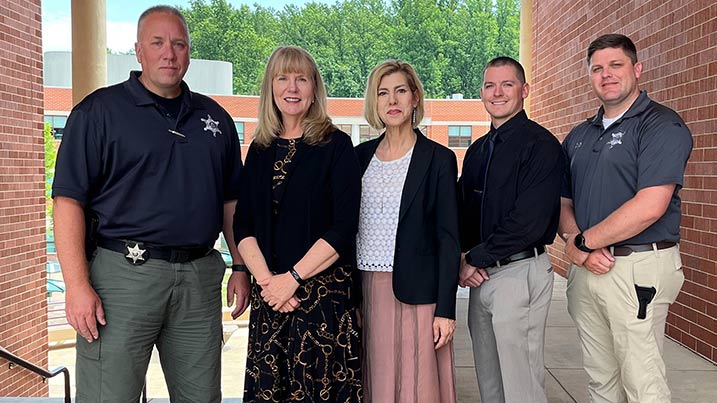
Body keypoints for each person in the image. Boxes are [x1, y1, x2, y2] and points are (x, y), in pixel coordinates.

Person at [51, 5, 250, 402]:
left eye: (179, 44)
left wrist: (241, 267)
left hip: (198, 279)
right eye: (157, 43)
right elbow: (68, 202)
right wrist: (75, 285)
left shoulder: (216, 120)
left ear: (189, 52)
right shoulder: (97, 113)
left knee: (201, 397)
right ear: (138, 50)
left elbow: (233, 204)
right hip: (120, 279)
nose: (169, 54)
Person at [559, 33, 692, 403]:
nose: (606, 75)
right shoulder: (579, 135)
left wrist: (585, 242)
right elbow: (562, 201)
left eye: (615, 65)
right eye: (597, 68)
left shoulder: (661, 125)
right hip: (587, 269)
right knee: (600, 379)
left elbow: (651, 204)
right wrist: (576, 244)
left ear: (636, 69)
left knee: (642, 382)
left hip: (638, 267)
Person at [233, 46, 362, 403]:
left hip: (320, 304)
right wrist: (268, 284)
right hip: (270, 302)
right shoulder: (259, 149)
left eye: (301, 79)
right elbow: (243, 225)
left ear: (314, 88)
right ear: (270, 87)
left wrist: (291, 280)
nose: (292, 88)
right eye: (283, 78)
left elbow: (343, 227)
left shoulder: (337, 145)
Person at [458, 56, 564, 403]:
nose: (497, 92)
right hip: (481, 277)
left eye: (507, 84)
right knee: (489, 379)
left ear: (525, 90)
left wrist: (474, 257)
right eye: (490, 85)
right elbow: (463, 213)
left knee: (522, 385)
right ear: (482, 93)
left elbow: (528, 221)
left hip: (520, 273)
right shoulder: (476, 151)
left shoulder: (541, 146)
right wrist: (462, 258)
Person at [355, 60, 459, 403]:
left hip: (420, 291)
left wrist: (446, 309)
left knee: (419, 383)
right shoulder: (358, 158)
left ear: (415, 98)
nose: (392, 100)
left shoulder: (439, 159)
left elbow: (448, 238)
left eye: (400, 90)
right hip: (368, 287)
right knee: (377, 377)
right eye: (383, 93)